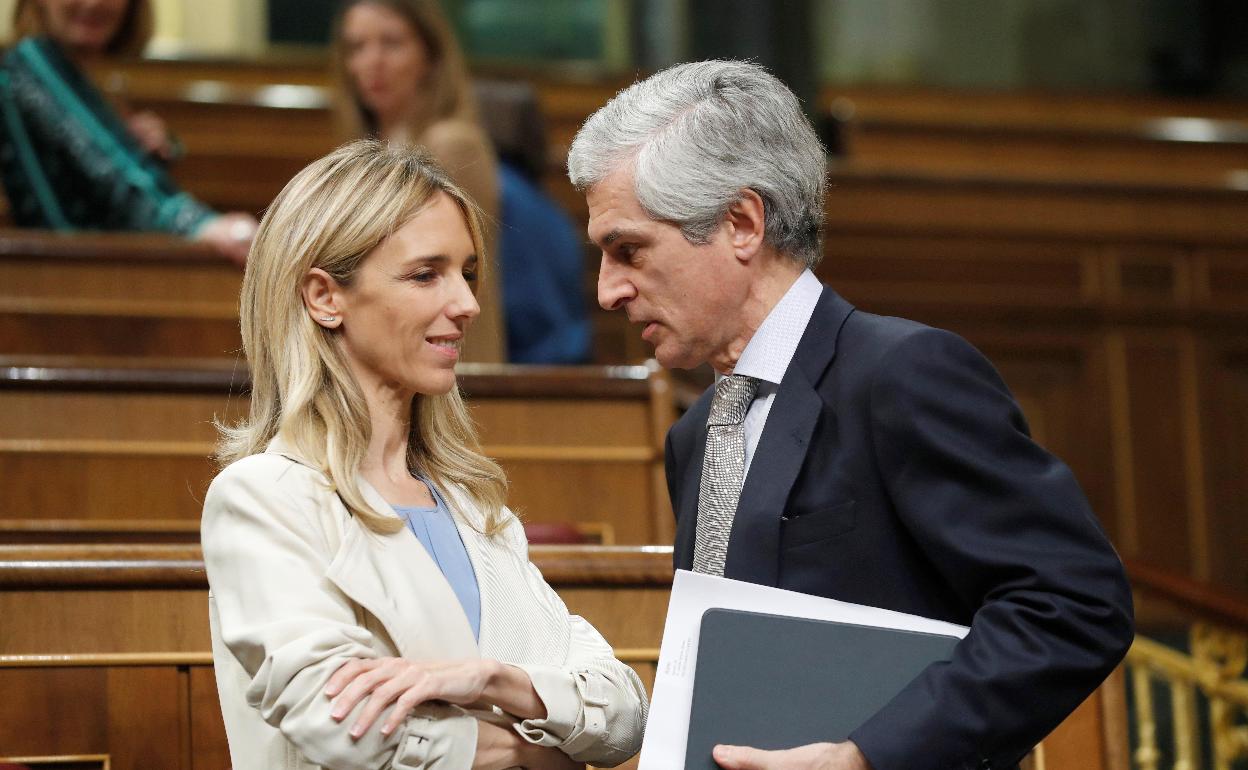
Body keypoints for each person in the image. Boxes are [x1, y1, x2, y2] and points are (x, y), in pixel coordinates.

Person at [568, 60, 1133, 770]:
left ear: (742, 223)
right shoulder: (694, 433)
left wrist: (866, 757)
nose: (607, 291)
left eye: (628, 250)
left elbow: (1073, 603)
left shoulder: (904, 374)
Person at [202, 139, 646, 769]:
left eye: (466, 272)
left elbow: (623, 710)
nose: (466, 304)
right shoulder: (264, 497)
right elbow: (348, 732)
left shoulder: (470, 507)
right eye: (424, 274)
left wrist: (493, 681)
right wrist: (533, 751)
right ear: (324, 297)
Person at [332, 0, 589, 363]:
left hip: (449, 360)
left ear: (430, 57)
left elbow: (466, 280)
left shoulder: (451, 145)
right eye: (357, 47)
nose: (372, 62)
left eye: (391, 43)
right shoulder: (371, 146)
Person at [0, 0, 256, 265]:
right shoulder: (33, 59)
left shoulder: (83, 72)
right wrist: (199, 225)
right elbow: (108, 169)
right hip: (66, 277)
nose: (93, 3)